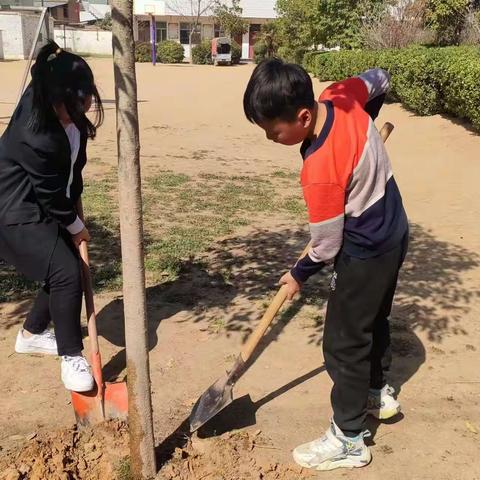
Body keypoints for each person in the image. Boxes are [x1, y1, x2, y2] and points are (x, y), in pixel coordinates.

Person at [243, 58, 409, 471]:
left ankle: (349, 438)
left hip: (364, 249)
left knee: (343, 343)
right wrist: (364, 120)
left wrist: (297, 275)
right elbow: (381, 78)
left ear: (302, 116)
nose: (269, 138)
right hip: (395, 232)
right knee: (374, 318)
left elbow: (326, 245)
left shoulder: (319, 168)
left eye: (273, 130)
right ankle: (375, 392)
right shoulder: (341, 96)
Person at [0, 41, 104, 392]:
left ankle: (30, 335)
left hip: (45, 203)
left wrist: (75, 201)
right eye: (72, 106)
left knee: (61, 266)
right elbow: (46, 191)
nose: (81, 110)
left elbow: (69, 172)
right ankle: (71, 354)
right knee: (65, 271)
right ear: (52, 99)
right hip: (13, 210)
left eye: (84, 101)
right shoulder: (35, 132)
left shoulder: (66, 107)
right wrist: (76, 227)